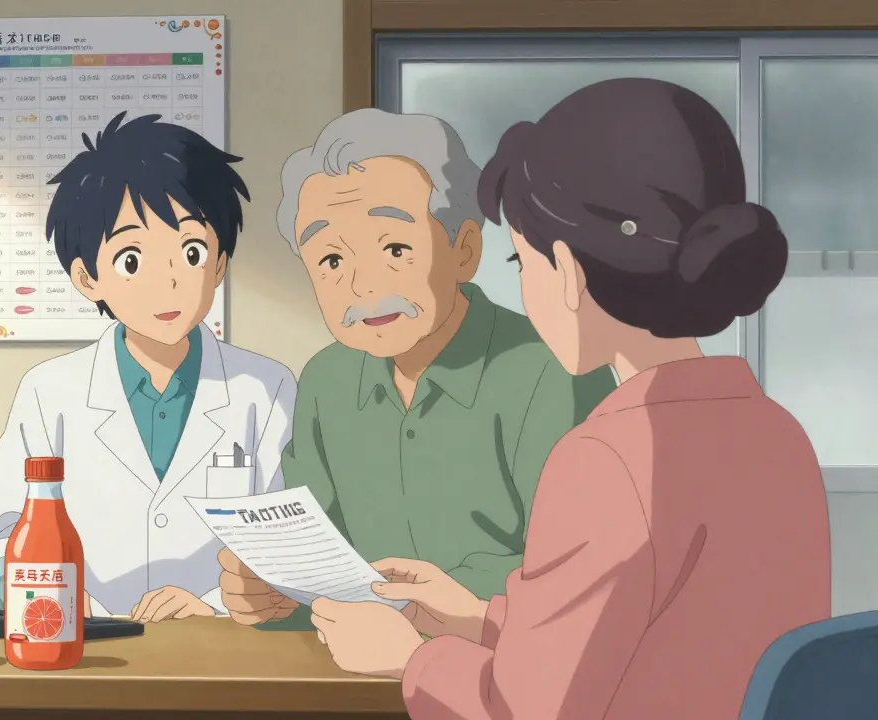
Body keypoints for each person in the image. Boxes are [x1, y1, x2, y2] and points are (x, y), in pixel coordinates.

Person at [307, 78, 832, 720]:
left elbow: (523, 711)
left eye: (521, 265)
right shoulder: (777, 434)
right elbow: (657, 637)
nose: (524, 289)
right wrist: (480, 618)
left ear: (568, 272)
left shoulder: (606, 458)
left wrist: (407, 656)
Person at [218, 109, 616, 629]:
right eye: (331, 261)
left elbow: (582, 571)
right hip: (353, 677)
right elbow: (320, 557)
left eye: (396, 248)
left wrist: (418, 608)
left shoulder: (556, 368)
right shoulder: (326, 380)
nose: (361, 286)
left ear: (465, 250)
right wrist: (276, 593)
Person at [0, 112, 296, 622]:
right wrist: (59, 596)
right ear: (87, 278)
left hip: (223, 653)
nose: (168, 284)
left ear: (219, 263)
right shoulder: (48, 392)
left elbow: (287, 540)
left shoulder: (266, 387)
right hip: (84, 645)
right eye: (131, 260)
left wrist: (215, 606)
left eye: (191, 252)